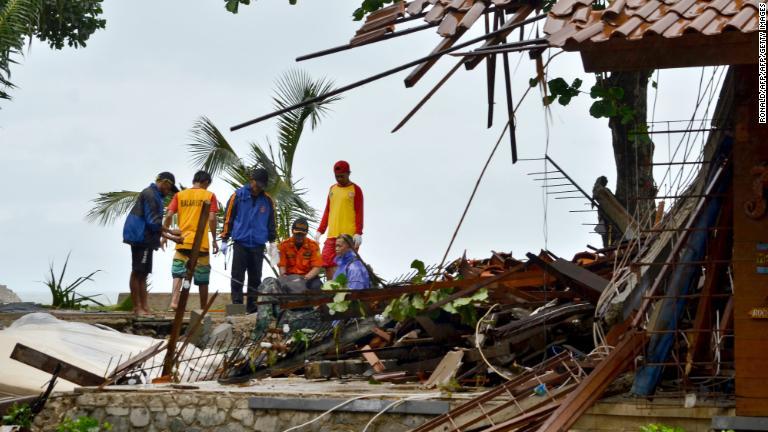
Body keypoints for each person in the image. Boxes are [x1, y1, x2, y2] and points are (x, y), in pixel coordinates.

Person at [122, 172, 180, 316]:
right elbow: (153, 223)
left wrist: (170, 233)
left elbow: (155, 223)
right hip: (141, 237)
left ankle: (145, 307)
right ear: (164, 183)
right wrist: (172, 236)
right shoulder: (151, 195)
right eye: (169, 189)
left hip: (145, 237)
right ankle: (138, 308)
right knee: (138, 272)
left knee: (143, 273)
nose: (168, 193)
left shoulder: (155, 196)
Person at [221, 168, 277, 314]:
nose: (259, 188)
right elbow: (228, 218)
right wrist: (225, 239)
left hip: (258, 244)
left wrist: (272, 242)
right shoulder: (238, 196)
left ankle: (252, 308)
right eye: (257, 184)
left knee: (255, 278)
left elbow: (272, 222)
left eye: (262, 186)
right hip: (241, 242)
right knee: (237, 276)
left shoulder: (267, 200)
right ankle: (237, 306)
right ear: (251, 181)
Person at [163, 170, 219, 310]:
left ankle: (174, 302)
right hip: (201, 243)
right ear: (206, 182)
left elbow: (169, 215)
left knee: (178, 272)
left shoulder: (180, 195)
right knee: (203, 277)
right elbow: (212, 218)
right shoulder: (209, 195)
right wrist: (214, 239)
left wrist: (164, 234)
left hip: (182, 240)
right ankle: (203, 307)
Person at [315, 160, 364, 277]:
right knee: (326, 261)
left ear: (348, 173)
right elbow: (328, 210)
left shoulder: (355, 189)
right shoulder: (332, 189)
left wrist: (358, 232)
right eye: (337, 177)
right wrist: (320, 230)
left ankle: (344, 292)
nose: (339, 179)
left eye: (342, 176)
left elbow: (359, 212)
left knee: (346, 264)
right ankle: (331, 290)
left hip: (348, 236)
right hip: (332, 235)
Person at [277, 217, 323, 292]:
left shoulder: (314, 246)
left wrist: (304, 279)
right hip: (290, 278)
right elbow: (282, 267)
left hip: (309, 278)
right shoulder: (283, 246)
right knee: (281, 287)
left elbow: (316, 268)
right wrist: (285, 278)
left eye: (302, 235)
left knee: (317, 286)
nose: (299, 237)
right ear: (292, 231)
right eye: (297, 234)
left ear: (306, 233)